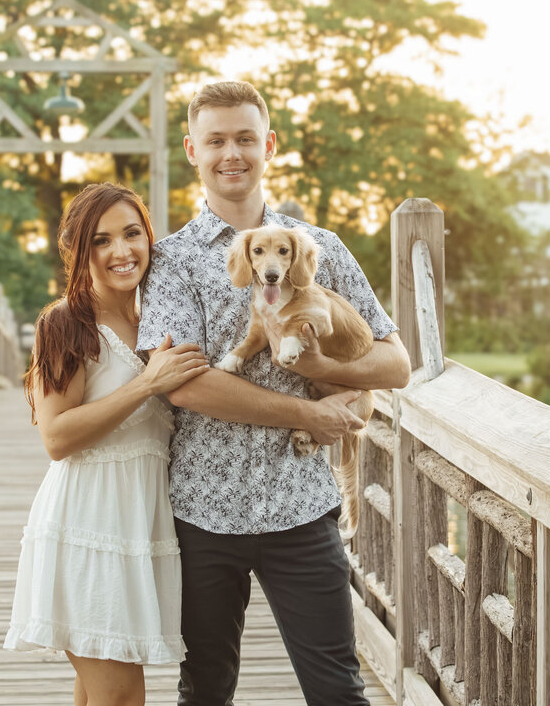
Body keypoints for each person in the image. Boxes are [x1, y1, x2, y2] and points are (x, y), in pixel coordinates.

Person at [136, 81, 412, 705]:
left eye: (243, 138)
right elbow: (184, 386)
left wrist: (320, 362)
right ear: (192, 150)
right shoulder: (171, 261)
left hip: (302, 503)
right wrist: (309, 410)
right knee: (205, 691)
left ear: (268, 144)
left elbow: (396, 363)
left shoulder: (321, 248)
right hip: (205, 510)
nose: (230, 153)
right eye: (215, 141)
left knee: (338, 690)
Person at [5, 182, 209, 706]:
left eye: (132, 234)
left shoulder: (157, 320)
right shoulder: (67, 323)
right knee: (120, 697)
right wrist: (145, 384)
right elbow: (55, 436)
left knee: (100, 696)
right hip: (88, 526)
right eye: (102, 240)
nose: (122, 252)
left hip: (138, 527)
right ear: (79, 252)